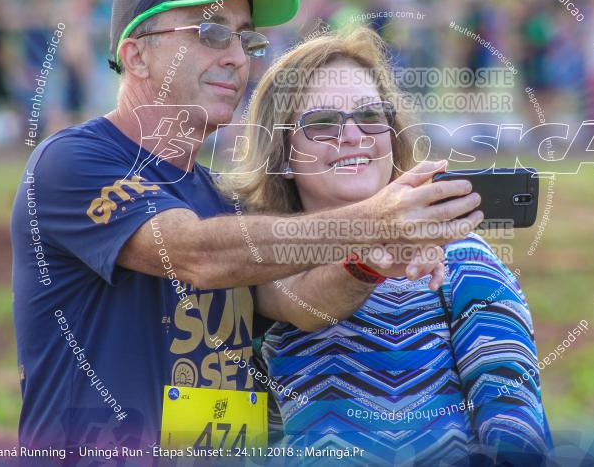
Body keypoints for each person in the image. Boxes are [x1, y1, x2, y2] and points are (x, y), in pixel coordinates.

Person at [10, 0, 483, 460]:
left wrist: (368, 259)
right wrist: (375, 218)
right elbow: (193, 255)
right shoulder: (72, 162)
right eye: (213, 34)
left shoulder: (219, 197)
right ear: (137, 55)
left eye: (248, 41)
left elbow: (295, 303)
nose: (239, 57)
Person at [223, 27, 552, 466]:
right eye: (322, 123)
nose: (354, 135)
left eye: (371, 116)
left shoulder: (464, 261)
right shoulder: (260, 271)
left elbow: (515, 429)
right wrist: (376, 253)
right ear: (281, 153)